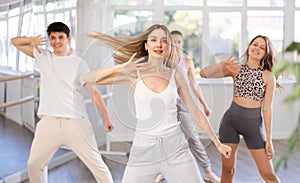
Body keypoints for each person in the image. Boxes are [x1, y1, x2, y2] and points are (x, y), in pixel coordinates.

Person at [84, 24, 232, 183]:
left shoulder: (177, 75)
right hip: (143, 150)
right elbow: (88, 78)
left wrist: (217, 143)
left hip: (175, 148)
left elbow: (195, 111)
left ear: (169, 47)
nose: (159, 44)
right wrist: (122, 67)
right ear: (146, 45)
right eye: (154, 40)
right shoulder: (134, 73)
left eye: (164, 41)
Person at [11, 22, 114, 183]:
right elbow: (15, 42)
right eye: (52, 37)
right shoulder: (43, 56)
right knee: (33, 164)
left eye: (60, 37)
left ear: (68, 38)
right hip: (49, 123)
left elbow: (93, 92)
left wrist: (107, 117)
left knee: (98, 166)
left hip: (76, 124)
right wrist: (31, 40)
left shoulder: (79, 63)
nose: (56, 41)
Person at [200, 35, 281, 183]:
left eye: (262, 48)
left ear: (266, 53)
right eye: (255, 44)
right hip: (230, 123)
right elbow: (203, 74)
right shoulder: (236, 69)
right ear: (249, 46)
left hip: (253, 127)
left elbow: (268, 109)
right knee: (228, 170)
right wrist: (222, 65)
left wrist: (269, 139)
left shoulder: (269, 77)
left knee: (268, 175)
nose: (257, 48)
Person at [170, 30, 221, 183]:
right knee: (165, 139)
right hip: (166, 106)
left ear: (182, 43)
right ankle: (159, 171)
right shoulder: (163, 61)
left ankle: (208, 171)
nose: (176, 44)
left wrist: (205, 105)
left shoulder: (186, 62)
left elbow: (194, 86)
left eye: (179, 41)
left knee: (193, 139)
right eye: (173, 41)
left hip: (182, 104)